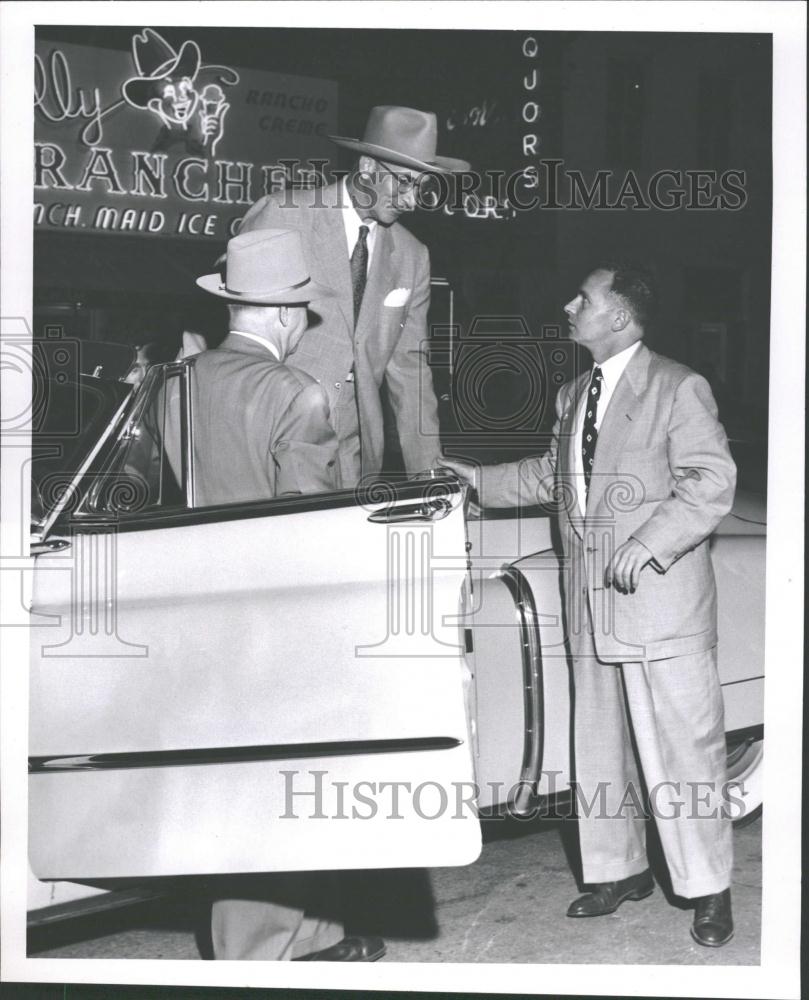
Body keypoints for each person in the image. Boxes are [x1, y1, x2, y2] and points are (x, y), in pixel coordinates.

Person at [444, 262, 737, 948]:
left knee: (682, 752)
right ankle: (617, 871)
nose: (568, 303)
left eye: (584, 296)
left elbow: (710, 479)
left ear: (618, 316)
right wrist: (476, 478)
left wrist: (649, 541)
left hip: (656, 602)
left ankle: (708, 889)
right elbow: (554, 476)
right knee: (598, 746)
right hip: (588, 602)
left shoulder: (676, 385)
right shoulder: (576, 391)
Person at [194, 228, 384, 961]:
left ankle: (311, 933)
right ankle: (258, 955)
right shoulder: (295, 395)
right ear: (280, 315)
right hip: (278, 621)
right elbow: (308, 530)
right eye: (303, 313)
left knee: (241, 784)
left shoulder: (180, 382)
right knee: (277, 788)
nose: (304, 326)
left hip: (198, 616)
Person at [237, 104, 470, 486]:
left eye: (422, 187)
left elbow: (411, 377)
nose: (412, 201)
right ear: (367, 169)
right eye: (405, 183)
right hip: (274, 443)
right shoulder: (283, 216)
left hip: (356, 460)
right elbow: (242, 347)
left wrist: (430, 480)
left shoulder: (412, 256)